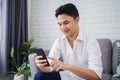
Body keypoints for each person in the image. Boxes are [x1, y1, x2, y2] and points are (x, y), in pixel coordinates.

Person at [35, 3, 103, 80]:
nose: (63, 27)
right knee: (39, 76)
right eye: (60, 24)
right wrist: (42, 66)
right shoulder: (59, 41)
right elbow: (49, 68)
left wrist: (68, 66)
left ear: (77, 20)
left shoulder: (91, 42)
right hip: (66, 77)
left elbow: (96, 76)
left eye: (66, 23)